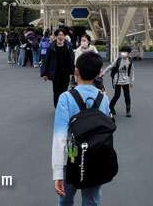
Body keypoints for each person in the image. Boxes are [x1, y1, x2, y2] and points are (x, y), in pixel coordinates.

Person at [52, 52, 111, 206]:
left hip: (72, 156)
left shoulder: (66, 98)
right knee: (91, 201)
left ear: (76, 71)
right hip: (96, 157)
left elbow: (60, 137)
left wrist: (57, 172)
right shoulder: (103, 98)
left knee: (65, 200)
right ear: (98, 74)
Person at [41, 29, 74, 108]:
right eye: (59, 35)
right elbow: (46, 60)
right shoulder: (52, 47)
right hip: (55, 72)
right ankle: (57, 106)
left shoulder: (68, 45)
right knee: (56, 90)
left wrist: (73, 70)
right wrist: (44, 73)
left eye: (62, 35)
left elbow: (72, 58)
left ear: (65, 36)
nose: (61, 37)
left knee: (64, 90)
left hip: (65, 72)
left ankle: (63, 106)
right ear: (56, 36)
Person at [101, 46, 134, 118]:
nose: (124, 53)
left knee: (127, 96)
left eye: (125, 52)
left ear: (128, 53)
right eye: (122, 52)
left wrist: (131, 81)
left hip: (126, 81)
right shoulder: (118, 60)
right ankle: (111, 106)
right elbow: (110, 67)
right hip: (117, 81)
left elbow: (131, 71)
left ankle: (128, 110)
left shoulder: (130, 61)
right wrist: (103, 74)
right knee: (117, 95)